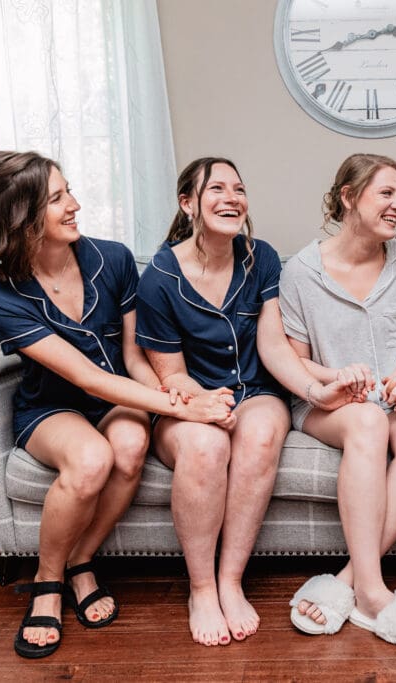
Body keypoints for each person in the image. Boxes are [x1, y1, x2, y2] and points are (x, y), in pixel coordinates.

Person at [0, 150, 234, 659]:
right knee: (92, 459)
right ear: (24, 216)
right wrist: (186, 409)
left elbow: (134, 358)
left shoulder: (112, 259)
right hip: (54, 408)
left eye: (68, 191)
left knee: (131, 443)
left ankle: (81, 561)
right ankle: (48, 580)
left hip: (119, 396)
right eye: (56, 198)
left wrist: (180, 394)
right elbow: (85, 377)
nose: (74, 204)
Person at [135, 157, 362, 647]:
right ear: (187, 204)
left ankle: (230, 581)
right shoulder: (158, 277)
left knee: (258, 433)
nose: (231, 197)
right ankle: (201, 589)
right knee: (205, 448)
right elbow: (169, 373)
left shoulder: (262, 259)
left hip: (257, 393)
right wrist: (203, 403)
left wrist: (315, 391)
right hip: (188, 401)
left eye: (238, 188)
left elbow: (274, 345)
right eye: (215, 188)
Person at [281, 153, 396, 650]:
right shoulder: (301, 272)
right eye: (386, 193)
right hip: (331, 406)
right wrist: (336, 376)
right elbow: (296, 360)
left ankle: (348, 581)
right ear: (348, 197)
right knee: (367, 425)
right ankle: (375, 595)